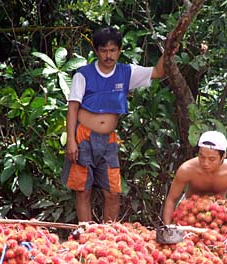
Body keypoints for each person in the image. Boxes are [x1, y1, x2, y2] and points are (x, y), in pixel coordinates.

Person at [61, 26, 170, 223]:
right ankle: (86, 233)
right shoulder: (83, 74)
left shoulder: (126, 72)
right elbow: (72, 108)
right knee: (83, 190)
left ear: (119, 50)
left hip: (109, 141)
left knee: (112, 191)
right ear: (96, 51)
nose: (108, 55)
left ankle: (109, 236)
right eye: (103, 50)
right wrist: (71, 141)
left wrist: (171, 46)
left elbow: (159, 72)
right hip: (83, 137)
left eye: (112, 50)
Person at [162, 130, 227, 258]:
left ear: (223, 156)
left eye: (212, 159)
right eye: (201, 157)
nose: (205, 163)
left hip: (219, 219)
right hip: (189, 217)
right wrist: (168, 228)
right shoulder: (187, 170)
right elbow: (171, 200)